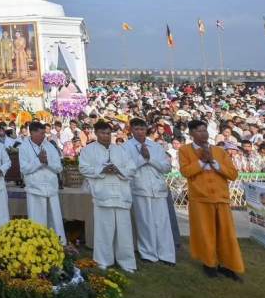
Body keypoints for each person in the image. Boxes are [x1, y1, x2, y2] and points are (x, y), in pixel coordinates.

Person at [178, 119, 244, 281]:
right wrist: (202, 161)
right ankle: (209, 265)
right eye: (199, 131)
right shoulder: (185, 150)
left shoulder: (219, 151)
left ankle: (227, 266)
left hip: (221, 197)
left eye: (205, 131)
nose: (204, 134)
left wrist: (213, 161)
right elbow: (186, 172)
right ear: (191, 134)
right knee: (205, 233)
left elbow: (233, 174)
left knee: (226, 234)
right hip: (200, 198)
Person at [79, 121, 136, 272]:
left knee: (124, 229)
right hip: (102, 193)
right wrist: (102, 169)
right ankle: (103, 260)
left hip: (121, 194)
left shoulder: (120, 150)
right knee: (104, 228)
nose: (105, 136)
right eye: (102, 133)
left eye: (108, 133)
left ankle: (126, 262)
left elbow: (131, 169)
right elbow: (83, 169)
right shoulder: (88, 150)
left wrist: (119, 170)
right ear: (96, 133)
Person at [123, 118, 176, 266]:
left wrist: (150, 158)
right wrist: (142, 158)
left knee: (162, 222)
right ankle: (148, 253)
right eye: (136, 129)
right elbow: (126, 169)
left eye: (142, 129)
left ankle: (166, 254)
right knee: (145, 222)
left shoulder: (156, 146)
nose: (140, 132)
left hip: (158, 188)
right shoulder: (125, 147)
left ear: (146, 130)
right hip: (139, 187)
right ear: (131, 130)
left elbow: (167, 167)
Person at [19, 121, 65, 243]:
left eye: (44, 133)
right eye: (41, 133)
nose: (44, 136)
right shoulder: (24, 147)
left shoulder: (49, 146)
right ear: (33, 133)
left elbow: (59, 168)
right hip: (35, 189)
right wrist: (38, 161)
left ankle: (58, 244)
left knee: (55, 221)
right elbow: (24, 170)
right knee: (37, 221)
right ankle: (38, 246)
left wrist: (47, 163)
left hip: (51, 189)